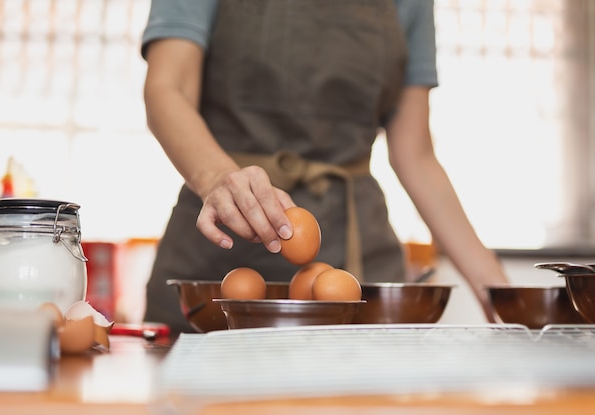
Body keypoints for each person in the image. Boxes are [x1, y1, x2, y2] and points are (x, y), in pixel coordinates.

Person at [140, 0, 509, 333]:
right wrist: (217, 177)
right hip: (214, 265)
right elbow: (168, 88)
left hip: (357, 262)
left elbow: (416, 155)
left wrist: (502, 294)